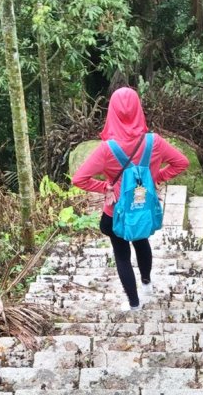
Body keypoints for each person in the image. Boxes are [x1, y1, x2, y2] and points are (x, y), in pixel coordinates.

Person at [72, 88, 189, 310]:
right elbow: (182, 162)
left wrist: (105, 187)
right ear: (139, 110)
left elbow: (79, 179)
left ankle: (134, 304)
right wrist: (156, 178)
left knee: (122, 255)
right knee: (141, 241)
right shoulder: (155, 142)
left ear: (111, 113)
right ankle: (146, 283)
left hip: (115, 212)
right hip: (143, 207)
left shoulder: (107, 149)